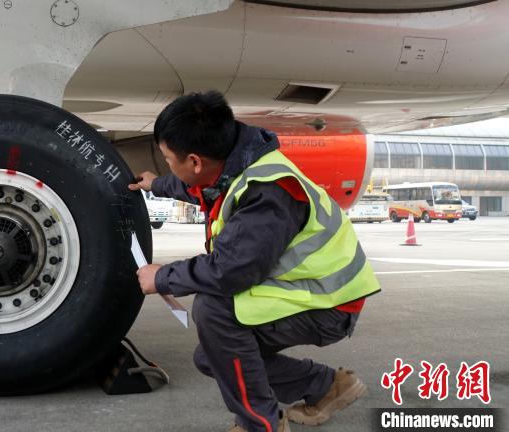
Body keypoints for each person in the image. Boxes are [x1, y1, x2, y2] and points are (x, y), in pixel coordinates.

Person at [128, 91, 381, 432]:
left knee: (213, 310)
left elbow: (231, 271)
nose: (168, 165)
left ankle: (259, 424)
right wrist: (157, 184)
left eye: (168, 159)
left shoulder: (267, 192)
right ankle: (326, 386)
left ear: (195, 160)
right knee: (212, 357)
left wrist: (161, 277)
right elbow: (198, 186)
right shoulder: (236, 163)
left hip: (330, 304)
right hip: (305, 292)